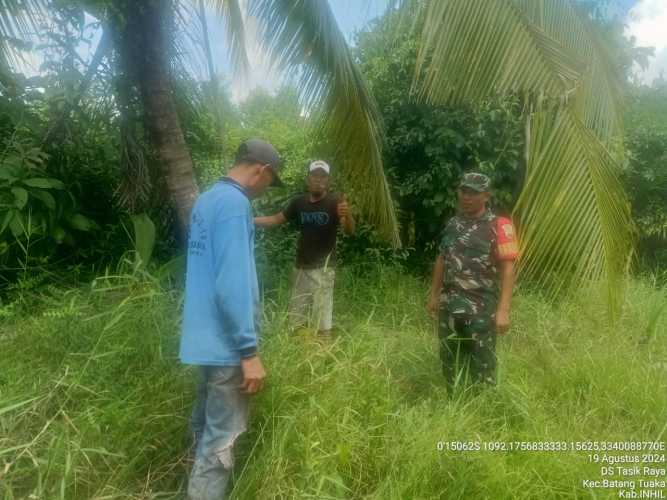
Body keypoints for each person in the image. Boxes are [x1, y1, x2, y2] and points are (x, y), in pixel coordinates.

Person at [179, 138, 282, 500]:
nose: (266, 189)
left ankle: (190, 487)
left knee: (203, 427)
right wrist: (248, 351)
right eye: (271, 181)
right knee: (220, 442)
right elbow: (232, 283)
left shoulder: (206, 200)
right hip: (227, 345)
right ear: (261, 170)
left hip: (202, 339)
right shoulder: (236, 204)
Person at [426, 172, 518, 392]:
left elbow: (508, 269)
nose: (466, 197)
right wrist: (434, 295)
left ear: (486, 196)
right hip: (450, 306)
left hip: (481, 309)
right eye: (463, 191)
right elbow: (441, 259)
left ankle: (482, 412)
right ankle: (454, 404)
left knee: (482, 365)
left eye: (473, 193)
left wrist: (503, 310)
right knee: (450, 361)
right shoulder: (452, 224)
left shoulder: (500, 226)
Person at [254, 160, 355, 338]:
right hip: (300, 267)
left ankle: (324, 355)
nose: (318, 180)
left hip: (324, 269)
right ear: (308, 178)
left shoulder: (335, 202)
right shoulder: (298, 203)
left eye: (322, 176)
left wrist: (347, 216)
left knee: (322, 321)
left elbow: (348, 231)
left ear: (328, 180)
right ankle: (300, 350)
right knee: (296, 317)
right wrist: (249, 220)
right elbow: (276, 219)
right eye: (314, 175)